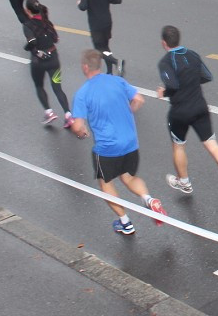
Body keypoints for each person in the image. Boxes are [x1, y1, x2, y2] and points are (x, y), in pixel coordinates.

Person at [69, 49, 168, 236]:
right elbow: (139, 99)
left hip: (107, 147)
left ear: (85, 67)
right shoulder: (117, 81)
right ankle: (149, 200)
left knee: (106, 183)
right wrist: (128, 111)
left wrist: (83, 132)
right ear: (99, 65)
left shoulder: (83, 93)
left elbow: (77, 126)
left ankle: (125, 222)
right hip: (130, 142)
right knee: (128, 177)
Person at [157, 25, 218, 206]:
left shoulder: (166, 62)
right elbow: (207, 76)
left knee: (179, 147)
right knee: (212, 144)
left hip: (180, 112)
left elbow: (172, 85)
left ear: (164, 43)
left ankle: (185, 182)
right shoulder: (193, 55)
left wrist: (163, 92)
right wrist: (192, 81)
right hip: (200, 107)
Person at [23, 0, 74, 127]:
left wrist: (29, 48)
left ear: (28, 11)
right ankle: (68, 115)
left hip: (38, 63)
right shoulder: (47, 23)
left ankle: (49, 112)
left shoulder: (28, 25)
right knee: (57, 87)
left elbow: (32, 42)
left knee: (39, 86)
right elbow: (55, 39)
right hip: (53, 60)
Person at [78, 0, 123, 75]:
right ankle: (109, 71)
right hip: (107, 21)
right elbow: (117, 0)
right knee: (105, 46)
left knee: (99, 49)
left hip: (95, 23)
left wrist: (79, 3)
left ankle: (117, 62)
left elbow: (83, 7)